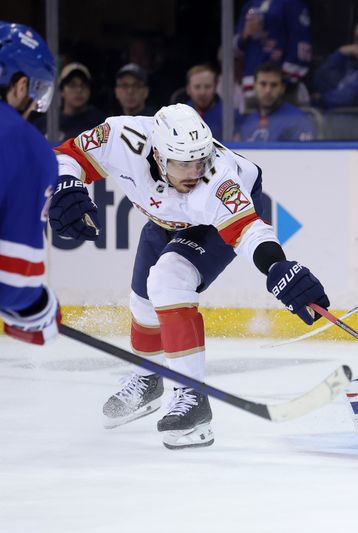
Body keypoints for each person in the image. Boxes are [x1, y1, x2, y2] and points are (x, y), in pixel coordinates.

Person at [47, 103, 330, 449]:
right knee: (142, 302)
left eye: (200, 159)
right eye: (184, 162)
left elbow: (248, 231)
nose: (195, 170)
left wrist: (277, 267)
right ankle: (148, 375)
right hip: (165, 220)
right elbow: (68, 153)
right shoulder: (123, 137)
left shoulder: (218, 178)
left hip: (213, 225)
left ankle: (192, 398)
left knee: (169, 279)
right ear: (158, 155)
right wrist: (65, 183)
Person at [0, 22, 61, 347]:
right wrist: (39, 310)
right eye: (38, 90)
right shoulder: (26, 146)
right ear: (20, 85)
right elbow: (12, 279)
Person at [234, 0, 312, 104]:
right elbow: (236, 47)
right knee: (253, 119)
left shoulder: (292, 4)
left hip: (282, 88)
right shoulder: (250, 4)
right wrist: (244, 34)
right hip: (251, 86)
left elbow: (301, 45)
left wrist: (281, 82)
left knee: (283, 118)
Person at [236, 62, 313, 141]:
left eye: (274, 85)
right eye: (263, 84)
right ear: (254, 87)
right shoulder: (248, 122)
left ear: (282, 88)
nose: (268, 90)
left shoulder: (297, 120)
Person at [312, 22, 358, 100]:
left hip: (355, 110)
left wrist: (322, 98)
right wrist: (340, 52)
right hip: (331, 109)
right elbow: (320, 82)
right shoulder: (349, 62)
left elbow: (350, 96)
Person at [53, 62, 106, 142]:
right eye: (72, 85)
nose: (79, 90)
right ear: (61, 91)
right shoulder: (48, 123)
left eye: (83, 85)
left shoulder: (102, 124)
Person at [184, 64, 223, 139]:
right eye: (197, 87)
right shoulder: (178, 116)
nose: (202, 92)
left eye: (207, 86)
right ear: (188, 89)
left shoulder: (229, 115)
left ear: (215, 87)